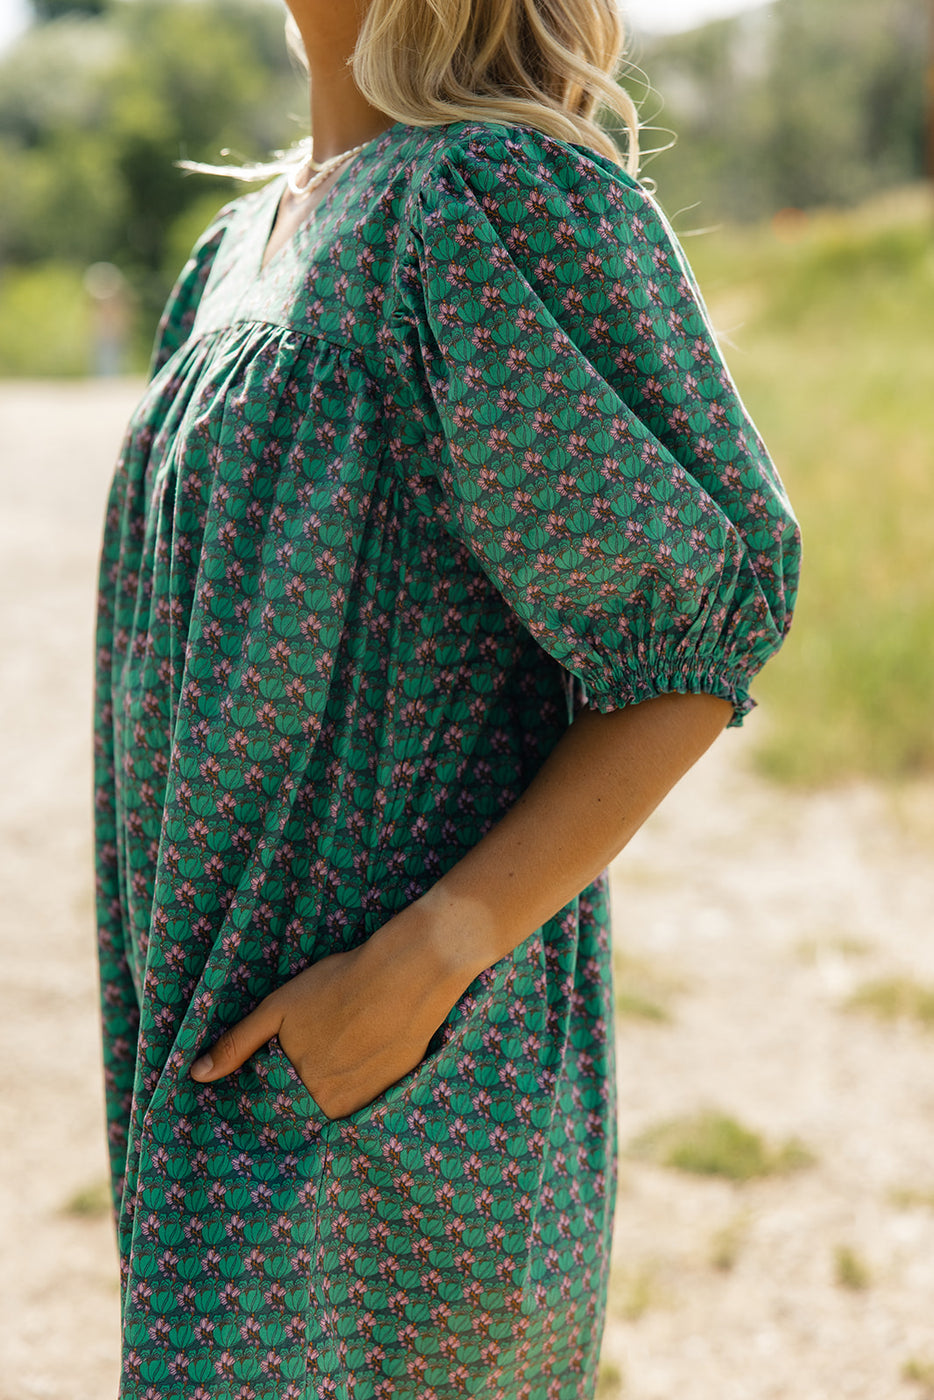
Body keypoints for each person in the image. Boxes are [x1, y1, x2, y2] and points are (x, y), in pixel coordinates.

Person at [92, 0, 801, 1396]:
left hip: (394, 1079)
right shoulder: (235, 251)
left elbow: (693, 636)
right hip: (212, 1041)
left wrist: (415, 969)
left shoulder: (488, 201)